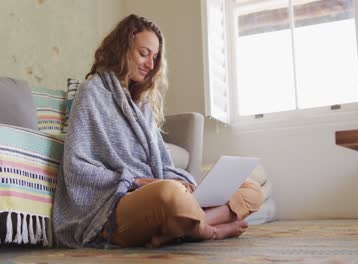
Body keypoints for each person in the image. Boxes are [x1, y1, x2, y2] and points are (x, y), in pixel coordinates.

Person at [53, 14, 264, 249]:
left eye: (154, 57)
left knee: (251, 189)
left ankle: (178, 229)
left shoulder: (141, 106)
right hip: (113, 204)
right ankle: (209, 230)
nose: (150, 65)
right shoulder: (90, 92)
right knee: (168, 194)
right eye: (144, 54)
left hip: (158, 197)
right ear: (122, 48)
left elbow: (163, 165)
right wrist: (137, 181)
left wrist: (186, 183)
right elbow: (76, 167)